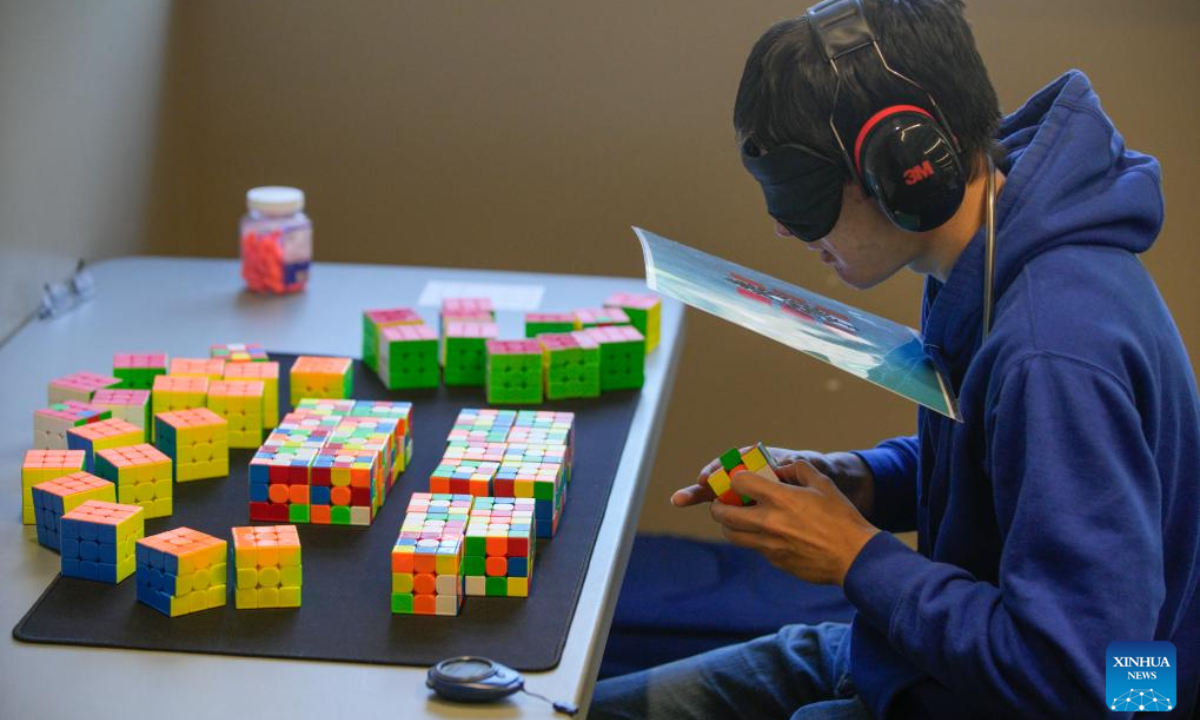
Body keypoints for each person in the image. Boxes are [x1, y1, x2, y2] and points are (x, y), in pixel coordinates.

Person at [590, 0, 1200, 718]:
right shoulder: (990, 250)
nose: (786, 227)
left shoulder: (1052, 350)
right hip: (931, 658)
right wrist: (859, 481)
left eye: (803, 196)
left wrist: (857, 558)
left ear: (907, 167)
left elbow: (1088, 675)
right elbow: (1006, 467)